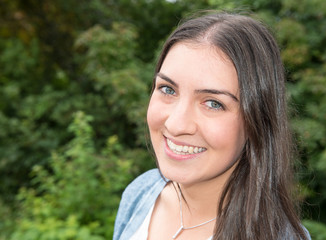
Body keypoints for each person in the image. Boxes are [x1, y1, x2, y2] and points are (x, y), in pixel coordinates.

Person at [113, 11, 311, 240]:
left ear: (257, 120)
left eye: (213, 103)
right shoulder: (142, 192)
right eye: (168, 89)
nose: (177, 124)